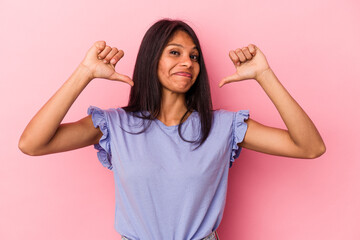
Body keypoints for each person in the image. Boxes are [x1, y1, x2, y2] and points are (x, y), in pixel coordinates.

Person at [18, 19, 326, 240]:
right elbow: (32, 143)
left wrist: (264, 75)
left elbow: (310, 147)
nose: (188, 63)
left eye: (194, 56)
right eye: (175, 52)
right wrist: (84, 73)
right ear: (152, 59)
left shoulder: (222, 127)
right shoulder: (116, 125)